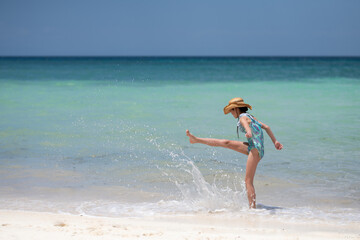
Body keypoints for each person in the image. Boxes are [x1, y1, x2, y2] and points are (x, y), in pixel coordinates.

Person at [186, 97, 283, 208]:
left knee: (248, 180)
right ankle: (196, 140)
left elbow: (246, 125)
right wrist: (275, 141)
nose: (231, 113)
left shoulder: (242, 117)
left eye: (232, 110)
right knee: (225, 142)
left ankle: (252, 209)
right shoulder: (251, 116)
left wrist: (248, 132)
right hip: (256, 147)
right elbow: (266, 127)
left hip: (255, 149)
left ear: (237, 108)